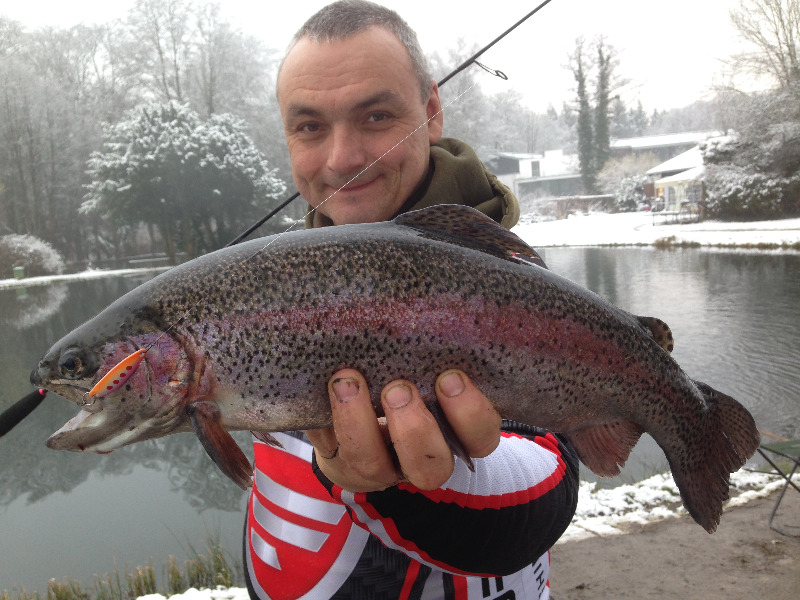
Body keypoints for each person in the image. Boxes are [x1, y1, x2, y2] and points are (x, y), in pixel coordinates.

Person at [243, 2, 579, 599]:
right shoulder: (272, 283)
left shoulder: (509, 284)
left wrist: (405, 479)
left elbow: (548, 485)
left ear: (430, 112)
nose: (342, 159)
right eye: (310, 127)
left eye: (375, 116)